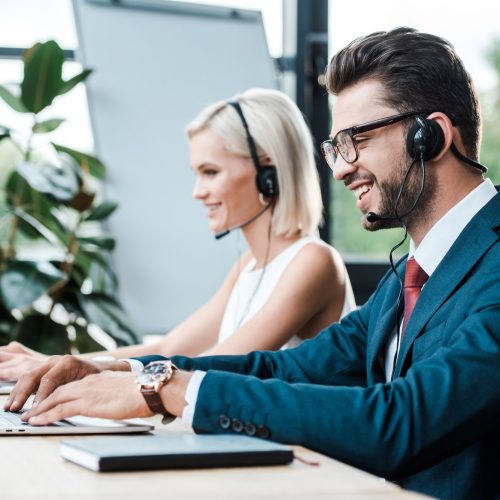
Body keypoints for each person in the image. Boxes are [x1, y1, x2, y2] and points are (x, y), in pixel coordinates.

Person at [6, 28, 500, 500]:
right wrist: (121, 370)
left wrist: (166, 390)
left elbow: (402, 421)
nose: (342, 167)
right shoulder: (404, 281)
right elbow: (283, 368)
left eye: (358, 141)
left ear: (430, 137)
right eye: (335, 148)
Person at [0, 88, 355, 380]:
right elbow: (172, 349)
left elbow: (218, 365)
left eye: (210, 172)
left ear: (269, 173)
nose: (197, 191)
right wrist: (55, 363)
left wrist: (85, 371)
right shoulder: (249, 266)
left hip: (315, 460)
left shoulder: (314, 261)